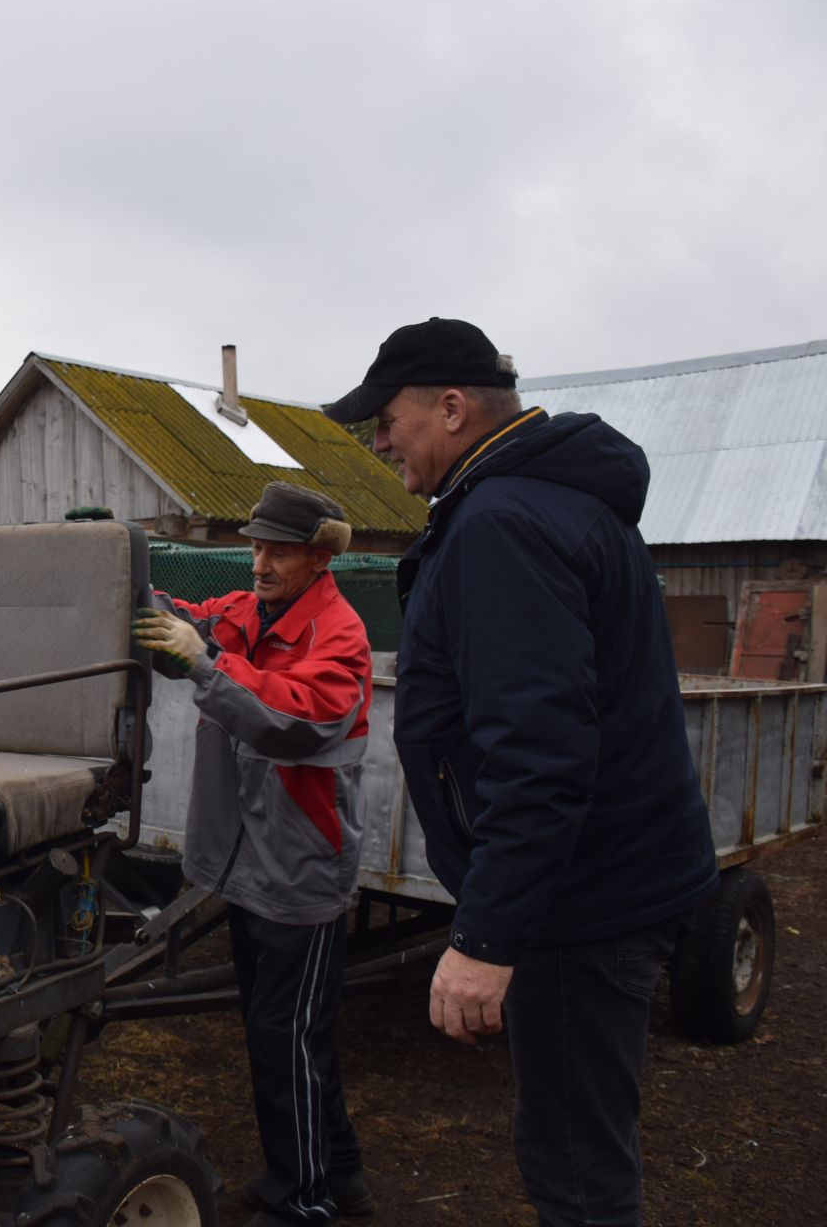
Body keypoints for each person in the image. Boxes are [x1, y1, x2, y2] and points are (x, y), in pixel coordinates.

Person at [323, 317, 717, 1227]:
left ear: (453, 407)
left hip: (581, 906)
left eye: (387, 419)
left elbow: (538, 755)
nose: (379, 442)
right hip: (608, 883)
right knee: (583, 1147)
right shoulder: (556, 500)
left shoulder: (502, 522)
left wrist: (487, 937)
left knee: (576, 1174)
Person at [133, 481, 373, 1226]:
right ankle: (344, 1179)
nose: (260, 561)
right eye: (257, 546)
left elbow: (293, 720)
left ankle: (301, 1199)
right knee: (295, 1034)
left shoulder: (340, 635)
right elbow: (184, 620)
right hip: (249, 861)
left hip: (299, 867)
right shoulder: (247, 611)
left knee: (285, 1040)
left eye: (279, 551)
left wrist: (206, 666)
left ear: (317, 556)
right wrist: (121, 573)